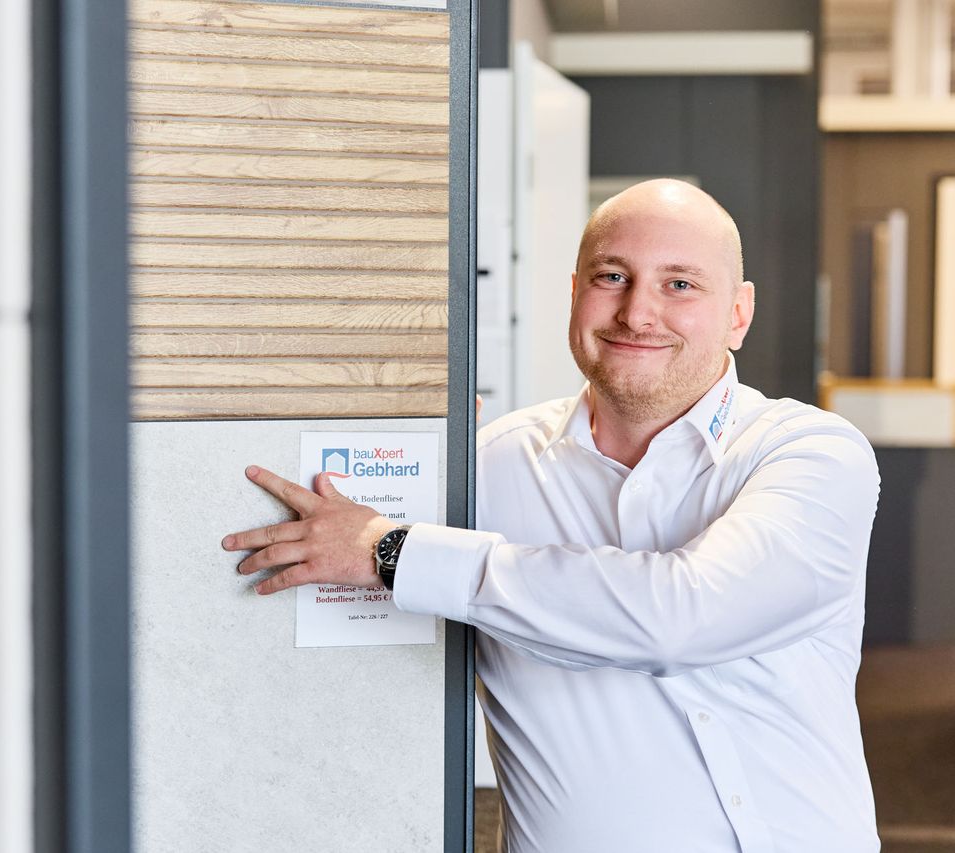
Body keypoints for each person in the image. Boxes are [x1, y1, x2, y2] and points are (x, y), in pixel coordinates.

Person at [222, 179, 881, 852]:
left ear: (738, 313)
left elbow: (681, 617)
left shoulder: (812, 455)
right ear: (574, 293)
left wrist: (392, 552)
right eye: (612, 276)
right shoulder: (485, 469)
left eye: (680, 284)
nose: (637, 312)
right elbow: (358, 622)